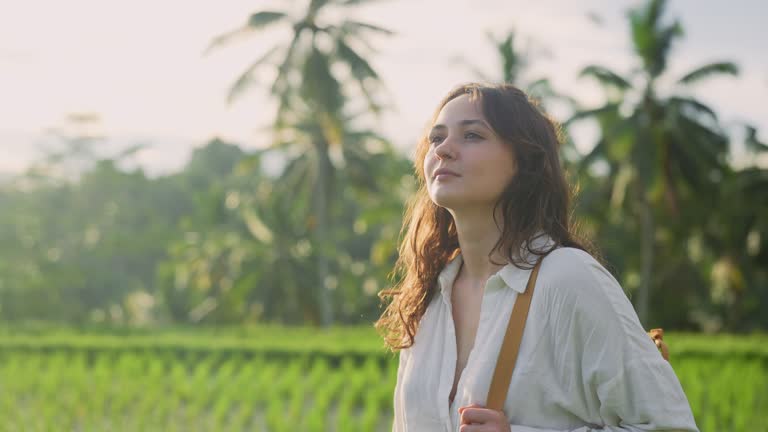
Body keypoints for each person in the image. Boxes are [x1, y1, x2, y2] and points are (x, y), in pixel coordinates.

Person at [374, 83, 698, 432]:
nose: (444, 150)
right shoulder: (428, 296)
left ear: (524, 162)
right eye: (436, 138)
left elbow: (670, 426)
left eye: (471, 135)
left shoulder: (567, 278)